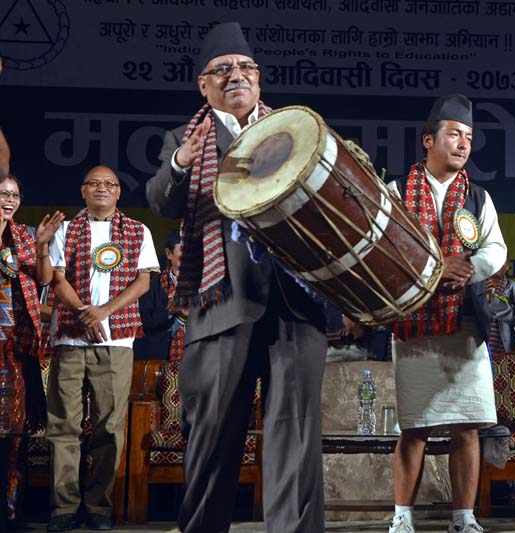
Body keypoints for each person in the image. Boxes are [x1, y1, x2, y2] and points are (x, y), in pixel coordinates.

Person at [146, 22, 327, 533]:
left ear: (260, 79)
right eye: (221, 70)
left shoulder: (296, 130)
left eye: (245, 68)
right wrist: (183, 159)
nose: (236, 76)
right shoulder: (183, 140)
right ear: (203, 86)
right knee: (213, 440)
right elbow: (163, 200)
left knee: (295, 439)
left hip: (298, 304)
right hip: (223, 304)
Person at [386, 94, 507, 533]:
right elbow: (386, 250)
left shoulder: (478, 195)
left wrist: (472, 266)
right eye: (454, 134)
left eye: (469, 138)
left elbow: (496, 247)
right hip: (413, 323)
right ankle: (402, 517)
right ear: (428, 140)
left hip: (465, 324)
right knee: (414, 426)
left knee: (468, 425)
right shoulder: (396, 192)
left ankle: (464, 517)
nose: (462, 144)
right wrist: (436, 268)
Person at [46, 166, 159, 531]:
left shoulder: (138, 231)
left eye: (109, 184)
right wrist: (84, 315)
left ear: (119, 193)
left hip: (117, 341)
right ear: (83, 191)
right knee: (63, 425)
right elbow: (57, 278)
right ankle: (64, 508)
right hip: (69, 338)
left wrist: (104, 313)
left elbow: (143, 282)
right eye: (94, 183)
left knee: (109, 427)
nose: (101, 189)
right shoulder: (66, 229)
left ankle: (98, 506)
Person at [0, 175, 63, 527]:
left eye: (15, 194)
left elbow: (41, 279)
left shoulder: (23, 235)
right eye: (3, 194)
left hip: (14, 346)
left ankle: (9, 513)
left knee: (13, 430)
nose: (10, 199)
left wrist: (41, 245)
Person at [133, 229, 187, 360]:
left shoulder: (208, 284)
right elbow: (142, 320)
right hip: (159, 357)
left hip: (199, 356)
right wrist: (171, 311)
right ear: (169, 254)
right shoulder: (150, 285)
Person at [485, 261, 515, 355]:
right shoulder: (476, 288)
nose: (497, 262)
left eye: (502, 258)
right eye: (495, 258)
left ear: (507, 265)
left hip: (508, 350)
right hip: (481, 348)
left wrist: (492, 300)